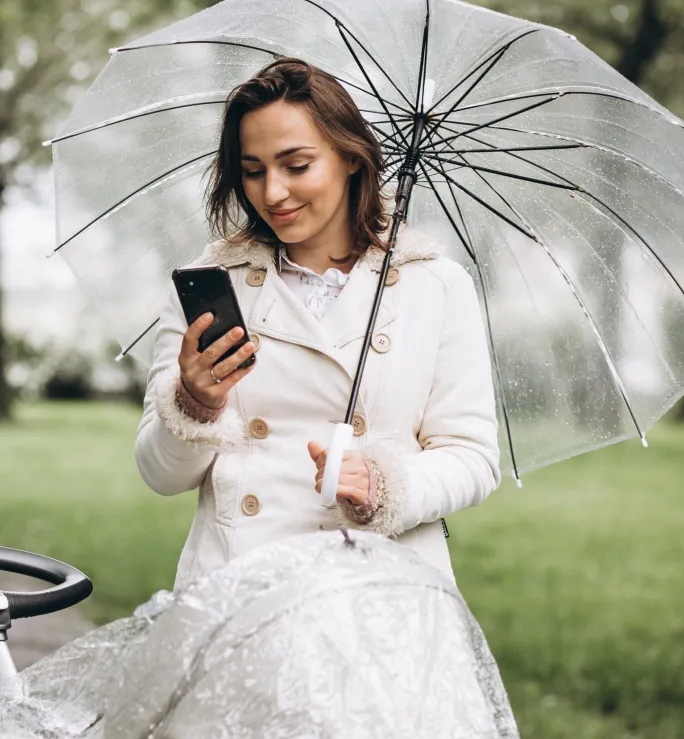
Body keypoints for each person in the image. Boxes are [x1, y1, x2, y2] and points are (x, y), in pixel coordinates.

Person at [134, 57, 501, 588]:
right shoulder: (211, 285)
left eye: (297, 165)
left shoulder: (435, 286)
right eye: (253, 171)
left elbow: (471, 457)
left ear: (351, 158)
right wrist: (196, 402)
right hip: (236, 593)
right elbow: (160, 475)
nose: (273, 193)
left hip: (384, 593)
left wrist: (384, 484)